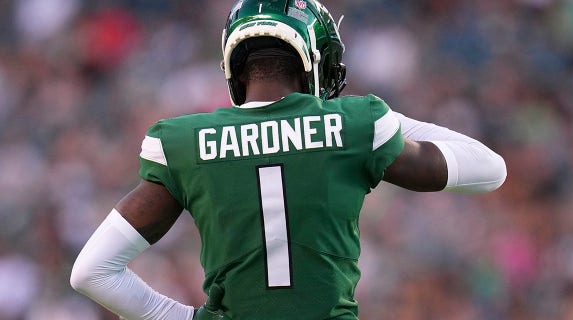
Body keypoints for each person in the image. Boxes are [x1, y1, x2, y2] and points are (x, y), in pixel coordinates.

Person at [70, 1, 507, 319]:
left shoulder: (184, 140)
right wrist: (376, 118)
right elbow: (489, 169)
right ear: (311, 61)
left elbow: (91, 273)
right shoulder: (356, 124)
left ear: (234, 66)